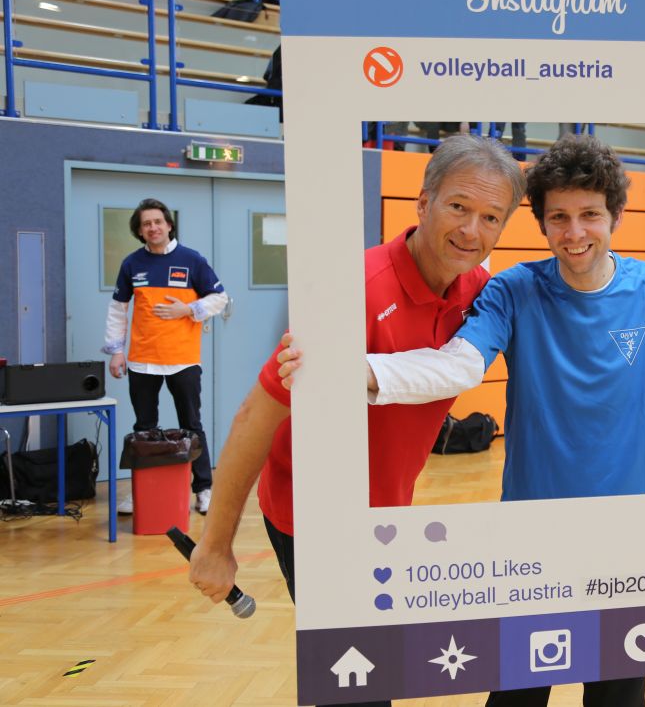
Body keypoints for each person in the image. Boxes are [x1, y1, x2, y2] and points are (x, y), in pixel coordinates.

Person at [332, 134, 645, 707]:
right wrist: (350, 371)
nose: (574, 232)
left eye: (590, 215)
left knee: (616, 699)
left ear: (616, 217)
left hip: (628, 543)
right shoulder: (514, 289)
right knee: (516, 698)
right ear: (541, 224)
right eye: (558, 217)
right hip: (530, 543)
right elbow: (459, 365)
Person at [188, 135, 526, 707]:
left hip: (387, 512)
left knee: (370, 673)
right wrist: (216, 544)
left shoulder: (479, 293)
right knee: (359, 682)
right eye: (458, 207)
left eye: (491, 217)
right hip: (313, 515)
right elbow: (256, 415)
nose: (472, 230)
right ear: (424, 203)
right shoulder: (356, 288)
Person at [103, 198, 227, 516]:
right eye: (146, 224)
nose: (153, 227)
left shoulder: (192, 260)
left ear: (169, 225)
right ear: (139, 231)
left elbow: (220, 298)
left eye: (158, 221)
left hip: (183, 359)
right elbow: (117, 310)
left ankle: (203, 489)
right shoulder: (132, 264)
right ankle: (141, 491)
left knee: (192, 425)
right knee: (144, 428)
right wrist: (116, 352)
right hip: (142, 361)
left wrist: (188, 309)